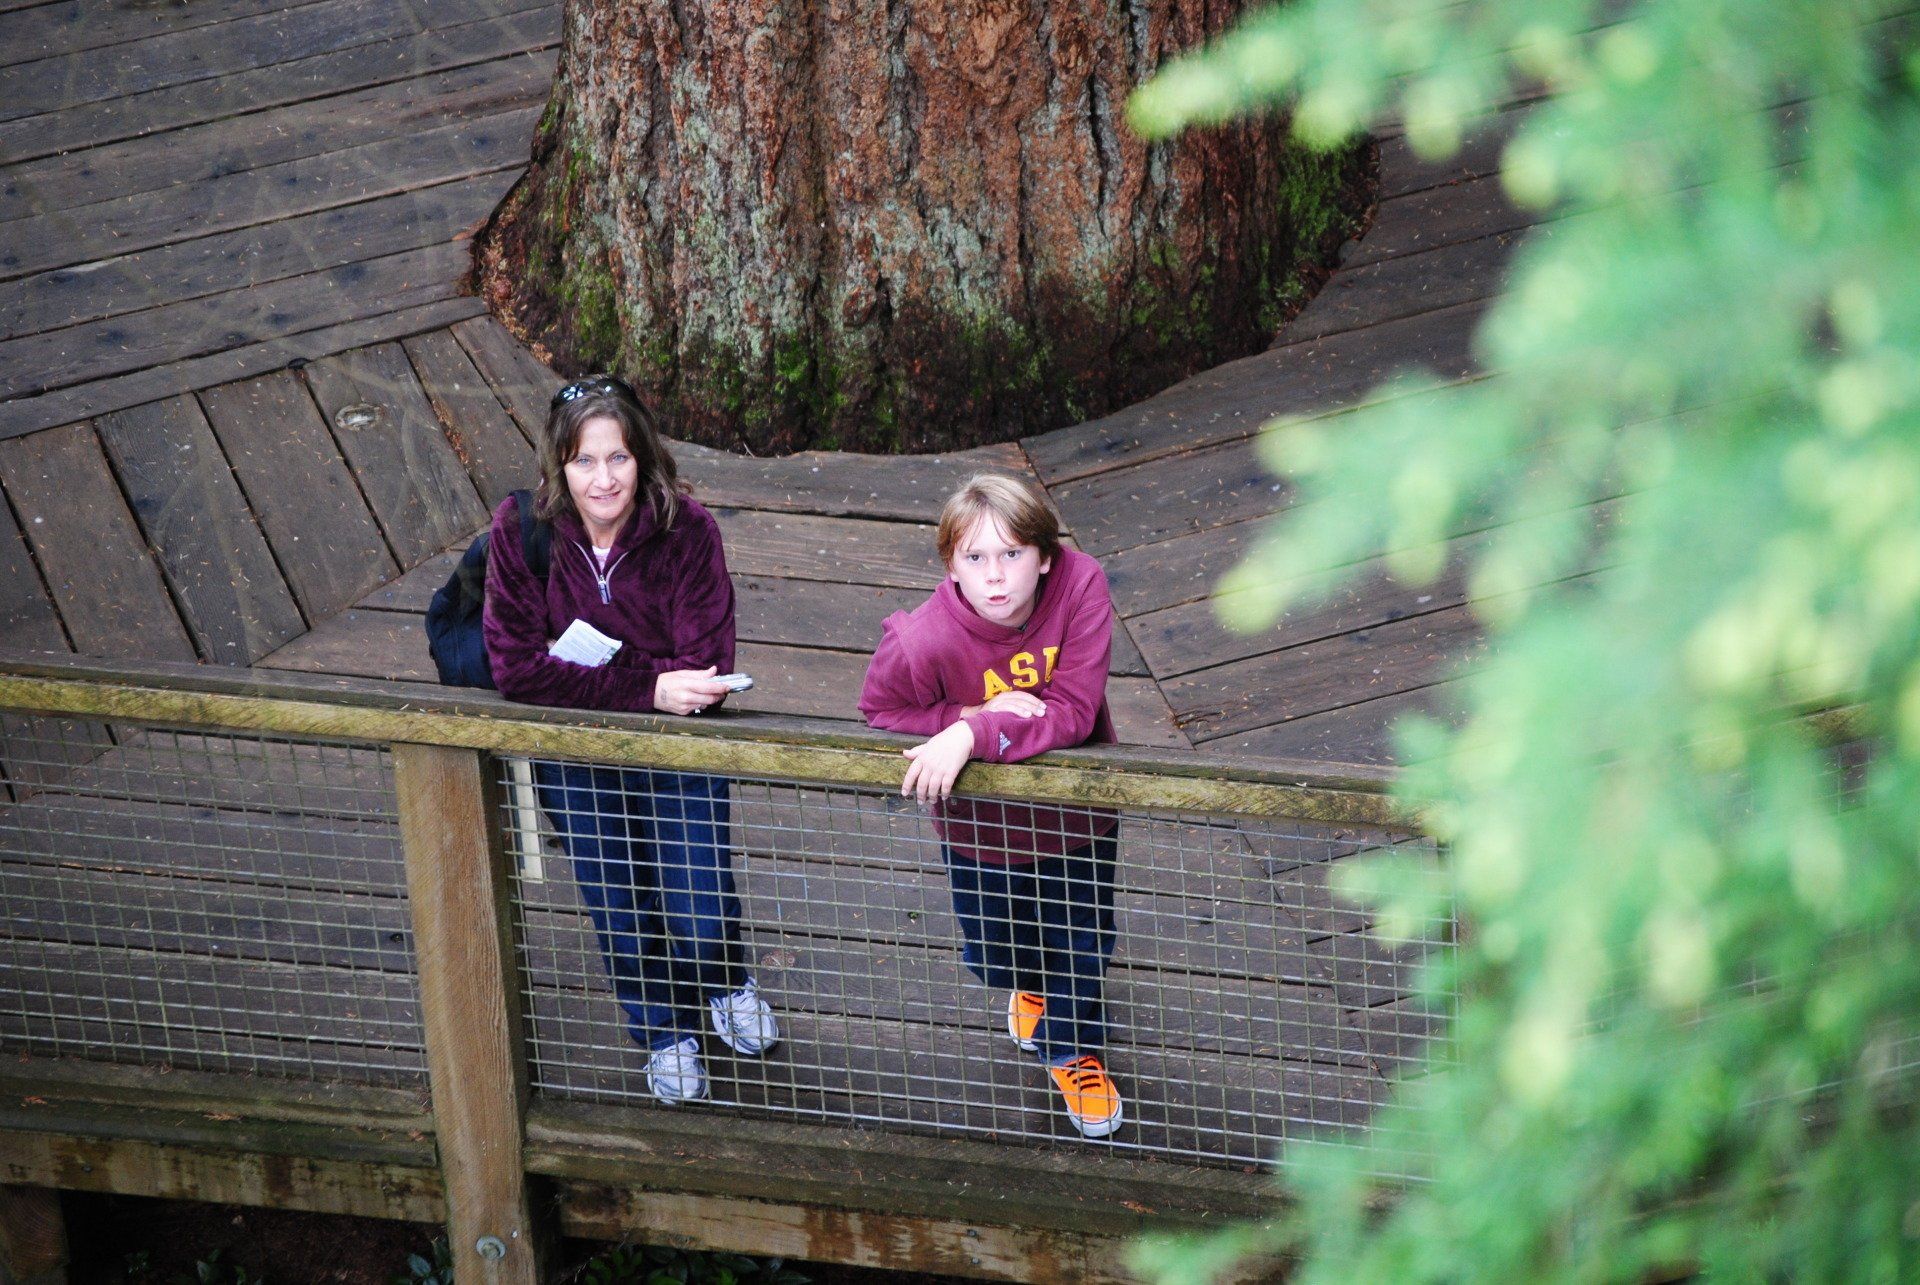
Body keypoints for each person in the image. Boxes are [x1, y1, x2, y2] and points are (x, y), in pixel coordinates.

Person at [484, 374, 777, 1104]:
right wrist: (647, 687)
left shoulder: (688, 532)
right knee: (618, 902)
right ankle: (662, 1029)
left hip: (677, 753)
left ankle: (722, 979)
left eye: (617, 458)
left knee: (698, 904)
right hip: (578, 756)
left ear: (641, 458)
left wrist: (591, 669)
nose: (603, 477)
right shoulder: (522, 530)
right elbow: (516, 666)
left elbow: (704, 663)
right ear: (560, 465)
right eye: (584, 461)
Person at [857, 473, 1124, 1138]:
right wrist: (965, 712)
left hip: (1076, 820)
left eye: (1012, 554)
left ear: (1044, 555)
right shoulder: (923, 638)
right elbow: (880, 712)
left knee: (1082, 944)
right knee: (997, 950)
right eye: (975, 558)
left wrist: (970, 734)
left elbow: (1071, 711)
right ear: (951, 564)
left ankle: (1073, 1049)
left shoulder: (1081, 583)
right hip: (982, 832)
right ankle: (1026, 984)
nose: (996, 576)